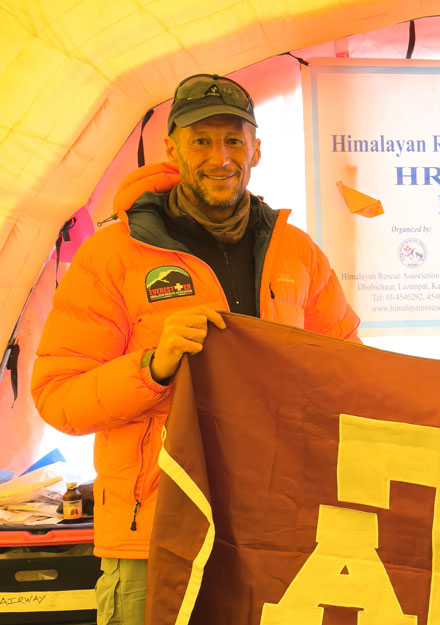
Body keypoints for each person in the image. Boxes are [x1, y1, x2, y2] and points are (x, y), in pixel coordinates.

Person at [31, 73, 361, 625]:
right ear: (173, 148)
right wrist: (152, 367)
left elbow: (352, 370)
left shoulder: (297, 253)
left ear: (256, 148)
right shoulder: (113, 255)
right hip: (155, 540)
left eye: (233, 140)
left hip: (276, 537)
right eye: (201, 140)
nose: (220, 156)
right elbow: (57, 398)